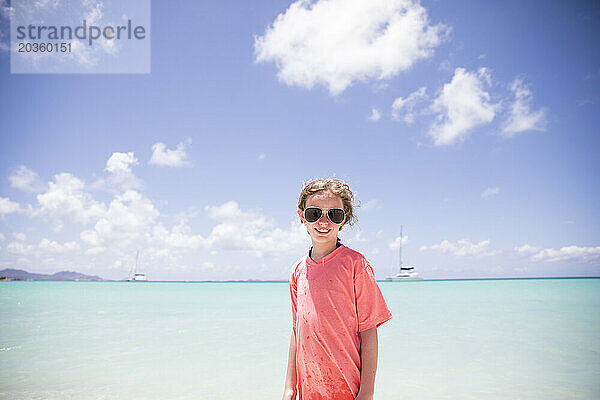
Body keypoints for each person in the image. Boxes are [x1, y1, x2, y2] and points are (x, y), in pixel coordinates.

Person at [282, 177, 392, 400]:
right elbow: (297, 331)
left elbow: (369, 332)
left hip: (347, 389)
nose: (324, 221)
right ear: (302, 216)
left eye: (334, 214)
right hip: (309, 390)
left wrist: (367, 393)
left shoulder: (355, 265)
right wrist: (290, 388)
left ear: (344, 219)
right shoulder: (297, 270)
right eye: (315, 213)